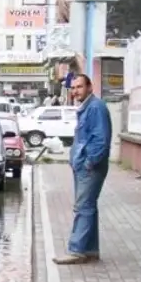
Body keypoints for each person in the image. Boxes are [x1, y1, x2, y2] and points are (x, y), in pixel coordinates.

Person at [54, 74, 111, 265]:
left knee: (83, 207)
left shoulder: (96, 107)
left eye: (79, 87)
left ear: (90, 87)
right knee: (89, 208)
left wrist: (89, 162)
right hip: (84, 166)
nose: (75, 91)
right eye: (73, 88)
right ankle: (91, 250)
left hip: (90, 168)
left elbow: (101, 139)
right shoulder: (86, 107)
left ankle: (77, 250)